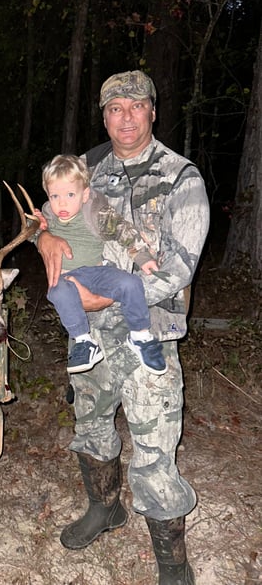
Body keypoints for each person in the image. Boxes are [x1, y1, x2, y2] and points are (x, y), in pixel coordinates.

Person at [37, 71, 209, 585]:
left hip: (146, 330)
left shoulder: (183, 177)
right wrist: (44, 240)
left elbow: (179, 267)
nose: (126, 116)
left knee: (154, 443)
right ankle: (104, 508)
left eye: (137, 106)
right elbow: (50, 216)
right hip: (89, 331)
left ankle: (173, 566)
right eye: (115, 107)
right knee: (90, 423)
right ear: (104, 114)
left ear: (153, 111)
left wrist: (110, 291)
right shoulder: (84, 168)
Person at [39, 153, 166, 376]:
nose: (62, 203)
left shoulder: (96, 212)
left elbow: (123, 231)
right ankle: (83, 341)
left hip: (98, 270)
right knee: (56, 290)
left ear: (85, 194)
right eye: (55, 196)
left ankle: (140, 336)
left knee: (130, 282)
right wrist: (40, 233)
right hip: (67, 278)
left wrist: (143, 258)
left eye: (70, 194)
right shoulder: (47, 214)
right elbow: (34, 234)